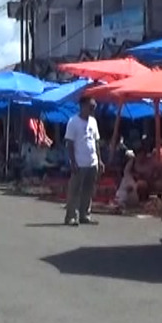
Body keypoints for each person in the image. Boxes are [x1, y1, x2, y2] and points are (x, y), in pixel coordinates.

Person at [64, 96, 101, 226]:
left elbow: (96, 142)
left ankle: (85, 214)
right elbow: (69, 143)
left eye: (94, 107)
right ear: (83, 106)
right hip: (79, 162)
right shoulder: (73, 121)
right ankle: (71, 216)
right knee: (74, 190)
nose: (92, 109)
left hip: (92, 161)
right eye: (91, 107)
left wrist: (99, 160)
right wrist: (72, 162)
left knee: (88, 190)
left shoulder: (93, 122)